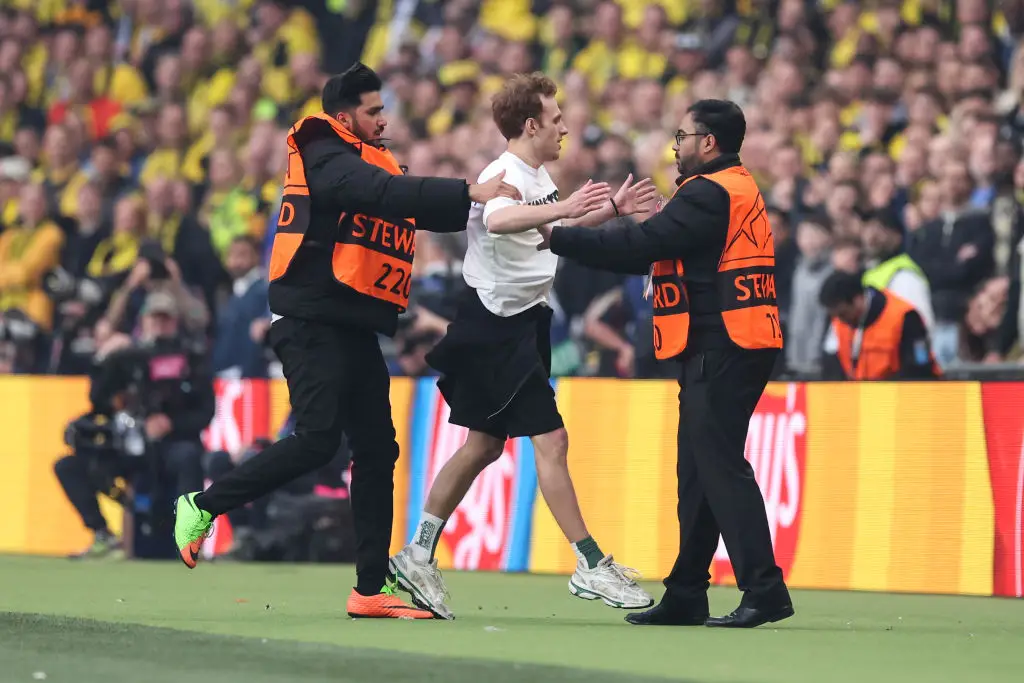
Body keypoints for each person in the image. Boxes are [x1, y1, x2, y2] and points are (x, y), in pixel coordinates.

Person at [171, 62, 519, 620]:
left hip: (352, 326)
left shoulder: (372, 160)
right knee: (315, 439)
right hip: (311, 322)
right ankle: (202, 506)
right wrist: (467, 190)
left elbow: (398, 202)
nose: (384, 119)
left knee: (378, 451)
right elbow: (372, 191)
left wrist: (499, 209)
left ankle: (367, 588)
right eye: (373, 110)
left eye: (384, 109)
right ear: (343, 116)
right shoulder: (322, 148)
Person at [388, 72, 657, 619]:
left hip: (521, 323)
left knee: (483, 446)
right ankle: (589, 563)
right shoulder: (502, 174)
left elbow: (545, 234)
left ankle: (417, 553)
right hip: (496, 327)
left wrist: (610, 210)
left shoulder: (537, 175)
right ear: (531, 124)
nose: (564, 127)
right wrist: (564, 208)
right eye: (556, 119)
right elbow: (502, 218)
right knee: (551, 442)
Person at [539, 100, 794, 628]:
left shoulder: (707, 192)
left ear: (709, 142)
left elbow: (643, 246)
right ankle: (686, 592)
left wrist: (560, 237)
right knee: (698, 471)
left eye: (682, 135)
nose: (673, 145)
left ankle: (764, 588)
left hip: (723, 344)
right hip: (732, 341)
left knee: (719, 468)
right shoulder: (731, 187)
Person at [819, 270, 940, 380]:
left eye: (843, 314)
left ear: (857, 300)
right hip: (861, 397)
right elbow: (833, 364)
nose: (840, 320)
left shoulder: (905, 318)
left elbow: (919, 367)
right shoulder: (840, 322)